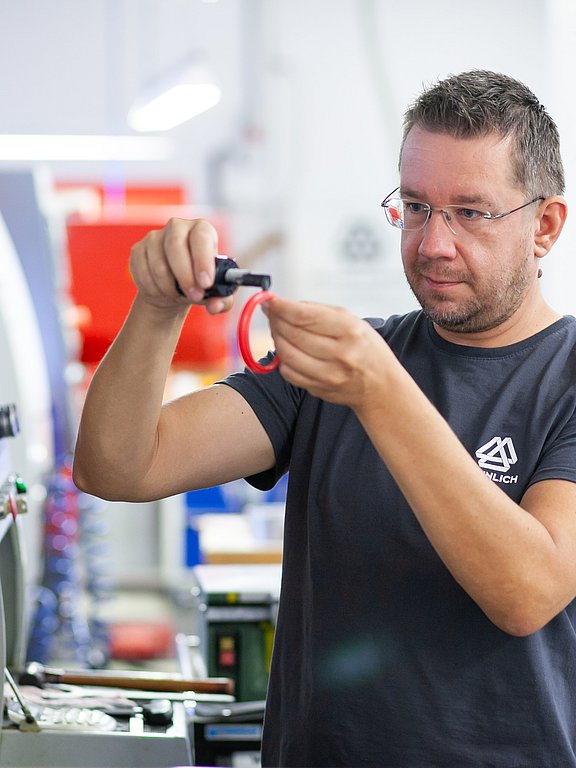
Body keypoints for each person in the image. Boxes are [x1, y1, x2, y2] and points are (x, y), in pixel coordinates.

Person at [73, 69, 576, 767]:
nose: (433, 243)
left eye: (471, 211)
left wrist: (381, 392)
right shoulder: (332, 371)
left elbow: (527, 592)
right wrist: (157, 308)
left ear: (544, 226)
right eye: (417, 206)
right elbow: (118, 467)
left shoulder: (556, 380)